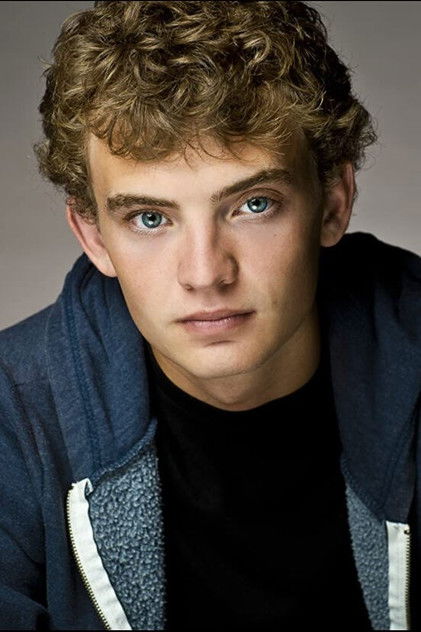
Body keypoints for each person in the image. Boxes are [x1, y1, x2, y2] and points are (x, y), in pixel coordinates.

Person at [0, 0, 419, 629]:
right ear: (92, 235)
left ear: (333, 202)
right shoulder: (13, 415)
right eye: (150, 218)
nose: (205, 273)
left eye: (254, 205)